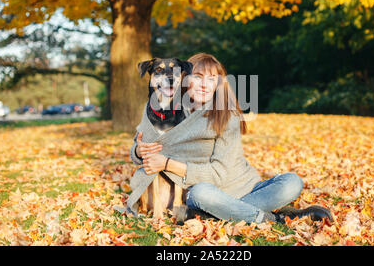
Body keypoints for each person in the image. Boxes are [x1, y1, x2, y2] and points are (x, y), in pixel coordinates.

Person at [131, 53, 332, 224]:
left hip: (243, 188)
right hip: (204, 194)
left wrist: (166, 163)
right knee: (201, 193)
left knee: (292, 182)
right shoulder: (172, 111)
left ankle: (213, 215)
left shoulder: (227, 115)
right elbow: (142, 146)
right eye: (198, 77)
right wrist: (140, 151)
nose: (204, 85)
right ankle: (274, 219)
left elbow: (220, 175)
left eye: (211, 79)